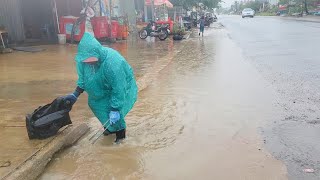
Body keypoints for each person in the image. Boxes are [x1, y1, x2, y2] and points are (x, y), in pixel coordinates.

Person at [64, 32, 138, 143]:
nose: (88, 64)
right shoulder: (83, 61)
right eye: (86, 61)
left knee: (114, 113)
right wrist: (76, 93)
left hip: (118, 88)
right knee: (95, 105)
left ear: (97, 53)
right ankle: (109, 129)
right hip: (99, 91)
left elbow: (119, 88)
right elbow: (83, 78)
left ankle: (120, 138)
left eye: (91, 60)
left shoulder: (113, 63)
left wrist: (115, 109)